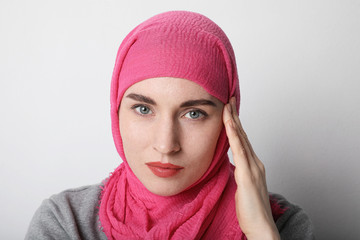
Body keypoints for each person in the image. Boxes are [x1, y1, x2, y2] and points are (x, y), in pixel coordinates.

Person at [25, 11, 315, 240]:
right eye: (143, 108)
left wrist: (262, 234)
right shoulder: (67, 222)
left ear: (230, 120)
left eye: (194, 114)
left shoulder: (282, 224)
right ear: (116, 112)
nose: (166, 144)